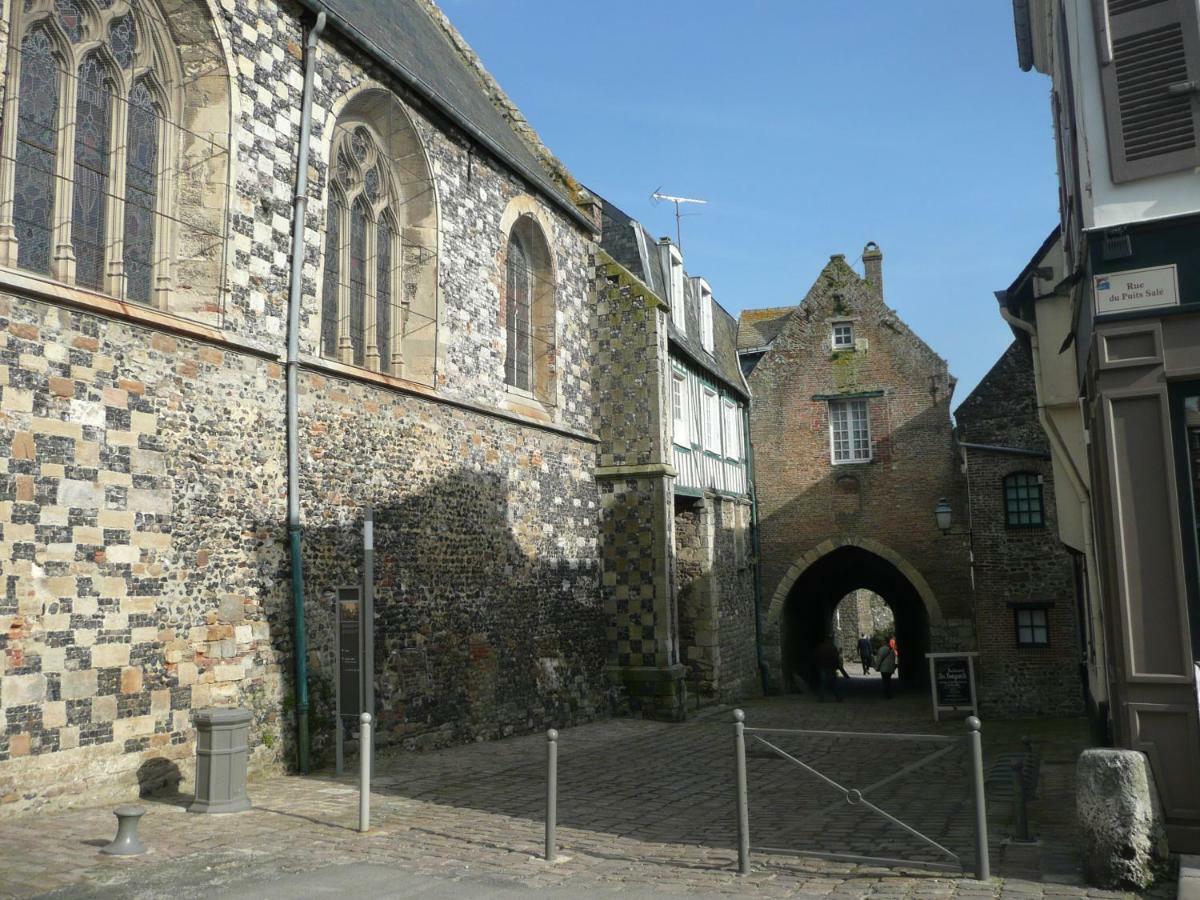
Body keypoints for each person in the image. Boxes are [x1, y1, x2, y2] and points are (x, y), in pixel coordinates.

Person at [813, 636, 843, 702]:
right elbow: (836, 658)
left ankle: (821, 698)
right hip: (830, 667)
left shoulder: (821, 647)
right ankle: (838, 697)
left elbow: (816, 657)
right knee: (833, 683)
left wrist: (818, 665)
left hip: (822, 667)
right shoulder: (833, 648)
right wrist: (836, 666)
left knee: (823, 682)